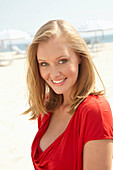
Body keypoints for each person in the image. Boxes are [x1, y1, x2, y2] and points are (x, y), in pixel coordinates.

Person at [24, 19, 113, 170]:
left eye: (62, 61)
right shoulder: (47, 108)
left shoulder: (94, 110)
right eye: (44, 63)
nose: (53, 73)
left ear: (79, 57)